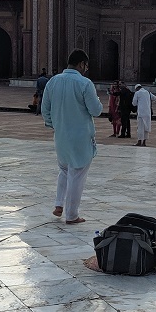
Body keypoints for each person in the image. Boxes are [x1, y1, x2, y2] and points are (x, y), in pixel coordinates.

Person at [41, 49, 103, 224]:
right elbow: (96, 110)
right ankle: (72, 214)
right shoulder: (84, 83)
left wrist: (56, 125)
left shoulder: (53, 81)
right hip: (80, 138)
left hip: (61, 136)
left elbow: (45, 109)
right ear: (82, 64)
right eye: (86, 66)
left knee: (64, 169)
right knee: (77, 174)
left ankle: (59, 204)